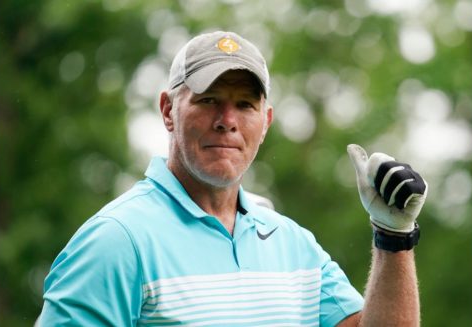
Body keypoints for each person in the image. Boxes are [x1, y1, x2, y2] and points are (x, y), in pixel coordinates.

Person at [38, 30, 428, 326]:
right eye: (209, 100)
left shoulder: (293, 244)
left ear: (266, 122)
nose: (227, 121)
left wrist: (393, 237)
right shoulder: (116, 240)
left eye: (245, 105)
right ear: (168, 110)